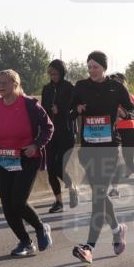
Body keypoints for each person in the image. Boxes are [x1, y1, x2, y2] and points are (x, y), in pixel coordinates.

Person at [0, 70, 54, 256]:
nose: (0, 86)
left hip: (27, 157)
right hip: (4, 158)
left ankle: (40, 227)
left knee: (18, 202)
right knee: (7, 206)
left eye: (4, 82)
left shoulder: (30, 104)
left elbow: (48, 127)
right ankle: (25, 242)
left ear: (15, 84)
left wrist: (36, 144)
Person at [71, 51, 134, 264]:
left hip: (109, 148)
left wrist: (125, 114)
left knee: (98, 196)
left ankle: (89, 247)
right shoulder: (81, 86)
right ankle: (117, 230)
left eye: (95, 67)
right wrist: (77, 109)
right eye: (89, 67)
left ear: (104, 68)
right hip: (88, 149)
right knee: (99, 194)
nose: (91, 71)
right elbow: (68, 111)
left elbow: (132, 111)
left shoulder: (116, 87)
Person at [41, 60, 78, 213]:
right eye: (51, 74)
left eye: (56, 73)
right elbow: (42, 110)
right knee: (51, 169)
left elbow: (75, 111)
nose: (53, 76)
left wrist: (61, 111)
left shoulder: (70, 88)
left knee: (59, 166)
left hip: (66, 133)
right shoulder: (47, 89)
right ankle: (58, 201)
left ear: (62, 73)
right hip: (50, 134)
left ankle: (72, 187)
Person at [108, 72, 134, 195]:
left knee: (128, 161)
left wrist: (124, 115)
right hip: (115, 131)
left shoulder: (129, 97)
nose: (116, 84)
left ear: (123, 83)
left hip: (129, 131)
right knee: (115, 160)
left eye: (119, 81)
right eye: (114, 82)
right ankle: (114, 189)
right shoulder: (108, 97)